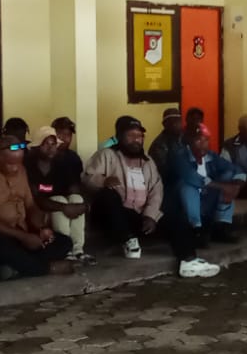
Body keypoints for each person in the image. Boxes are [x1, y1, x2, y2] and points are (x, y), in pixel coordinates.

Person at [86, 116, 217, 278]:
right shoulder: (106, 155)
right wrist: (103, 181)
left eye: (139, 136)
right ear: (119, 136)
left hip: (138, 216)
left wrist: (150, 216)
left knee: (175, 218)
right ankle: (127, 239)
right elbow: (88, 177)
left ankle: (188, 261)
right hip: (114, 218)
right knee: (107, 196)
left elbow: (156, 190)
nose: (136, 140)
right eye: (131, 135)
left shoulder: (148, 161)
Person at [0, 135, 72, 279]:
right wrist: (23, 237)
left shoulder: (20, 169)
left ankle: (15, 268)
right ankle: (45, 268)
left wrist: (40, 229)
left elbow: (30, 205)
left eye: (18, 163)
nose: (16, 168)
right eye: (10, 163)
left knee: (64, 242)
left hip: (21, 229)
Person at [26, 124, 91, 264]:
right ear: (36, 147)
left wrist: (82, 205)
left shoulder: (61, 164)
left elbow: (74, 188)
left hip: (62, 209)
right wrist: (64, 207)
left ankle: (78, 250)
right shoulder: (29, 166)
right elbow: (37, 199)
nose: (51, 148)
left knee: (76, 198)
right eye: (45, 144)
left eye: (53, 144)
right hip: (39, 213)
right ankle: (65, 250)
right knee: (59, 199)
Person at [171, 125, 246, 243]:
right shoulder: (180, 156)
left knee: (229, 176)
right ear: (189, 142)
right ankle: (196, 230)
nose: (203, 144)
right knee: (188, 187)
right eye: (198, 140)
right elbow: (192, 178)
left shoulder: (211, 156)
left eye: (206, 140)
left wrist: (236, 186)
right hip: (182, 207)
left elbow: (236, 169)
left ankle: (221, 227)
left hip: (207, 199)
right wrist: (224, 187)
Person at [147, 107, 184, 175]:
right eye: (171, 122)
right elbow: (165, 170)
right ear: (164, 124)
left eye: (178, 121)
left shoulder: (185, 138)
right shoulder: (158, 145)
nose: (175, 124)